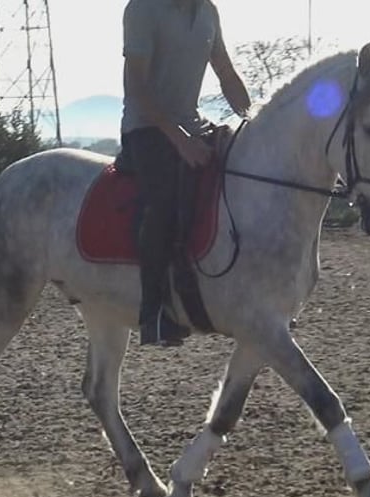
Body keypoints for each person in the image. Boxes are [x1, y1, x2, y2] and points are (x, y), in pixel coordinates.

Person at [120, 0, 251, 347]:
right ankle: (153, 314)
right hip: (146, 129)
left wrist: (254, 122)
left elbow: (225, 72)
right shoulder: (143, 9)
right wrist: (180, 140)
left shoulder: (207, 11)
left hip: (193, 124)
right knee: (161, 204)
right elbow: (138, 89)